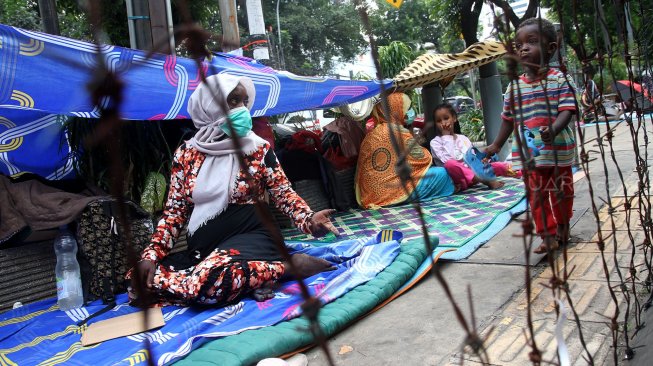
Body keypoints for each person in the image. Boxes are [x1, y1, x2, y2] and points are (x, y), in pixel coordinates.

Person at [128, 74, 338, 307]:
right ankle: (251, 278)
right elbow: (174, 214)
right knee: (137, 282)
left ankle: (288, 267)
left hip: (254, 235)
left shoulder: (257, 148)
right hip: (205, 248)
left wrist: (309, 220)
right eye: (233, 101)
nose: (242, 109)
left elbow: (284, 194)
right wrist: (150, 256)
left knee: (208, 284)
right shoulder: (186, 155)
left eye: (244, 102)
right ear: (209, 105)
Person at [485, 18, 577, 255]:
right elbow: (508, 118)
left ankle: (563, 225)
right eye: (519, 44)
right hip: (529, 155)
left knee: (561, 192)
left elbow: (567, 110)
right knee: (536, 196)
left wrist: (554, 128)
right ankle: (547, 235)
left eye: (532, 42)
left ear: (551, 48)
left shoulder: (559, 79)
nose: (523, 48)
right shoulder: (514, 88)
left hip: (558, 153)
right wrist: (496, 145)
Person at [355, 92, 455, 209]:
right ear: (395, 110)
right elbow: (422, 158)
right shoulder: (397, 131)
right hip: (392, 191)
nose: (408, 113)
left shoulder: (372, 133)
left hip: (368, 195)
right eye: (405, 108)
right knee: (442, 173)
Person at [429, 103, 512, 192]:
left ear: (454, 118)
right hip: (456, 178)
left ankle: (521, 171)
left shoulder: (463, 138)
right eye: (439, 121)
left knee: (498, 166)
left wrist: (483, 160)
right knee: (450, 164)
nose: (443, 123)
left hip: (473, 172)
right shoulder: (435, 142)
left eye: (446, 118)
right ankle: (484, 180)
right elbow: (449, 159)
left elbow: (472, 157)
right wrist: (446, 136)